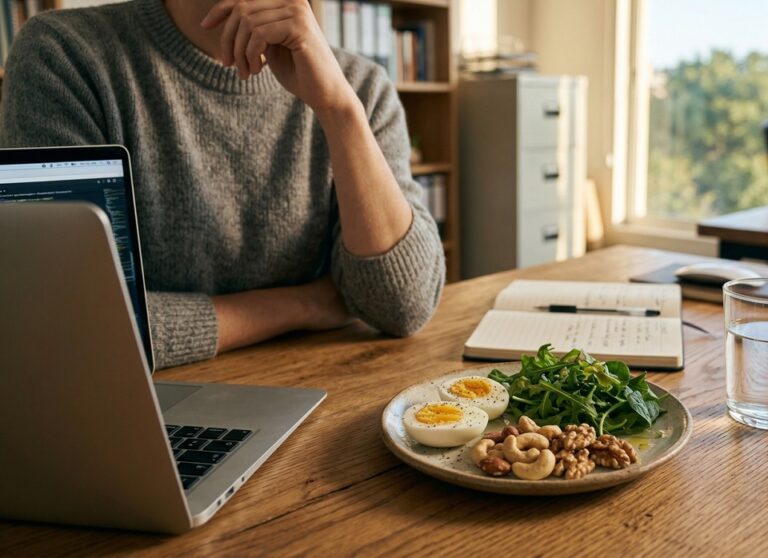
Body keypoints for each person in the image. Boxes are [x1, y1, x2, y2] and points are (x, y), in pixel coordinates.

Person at [0, 0, 446, 369]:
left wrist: (340, 112)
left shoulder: (360, 86)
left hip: (329, 395)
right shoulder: (66, 55)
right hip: (138, 413)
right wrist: (306, 305)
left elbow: (403, 306)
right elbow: (68, 328)